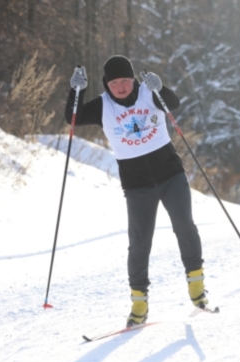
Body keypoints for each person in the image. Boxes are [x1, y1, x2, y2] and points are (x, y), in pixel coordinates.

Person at [65, 55, 210, 327]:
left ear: (133, 80)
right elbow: (73, 118)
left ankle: (197, 288)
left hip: (170, 174)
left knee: (184, 226)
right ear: (107, 84)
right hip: (137, 184)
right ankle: (139, 305)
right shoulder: (102, 105)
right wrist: (77, 91)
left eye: (125, 81)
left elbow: (173, 103)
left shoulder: (148, 94)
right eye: (114, 82)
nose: (120, 87)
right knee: (140, 241)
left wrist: (160, 87)